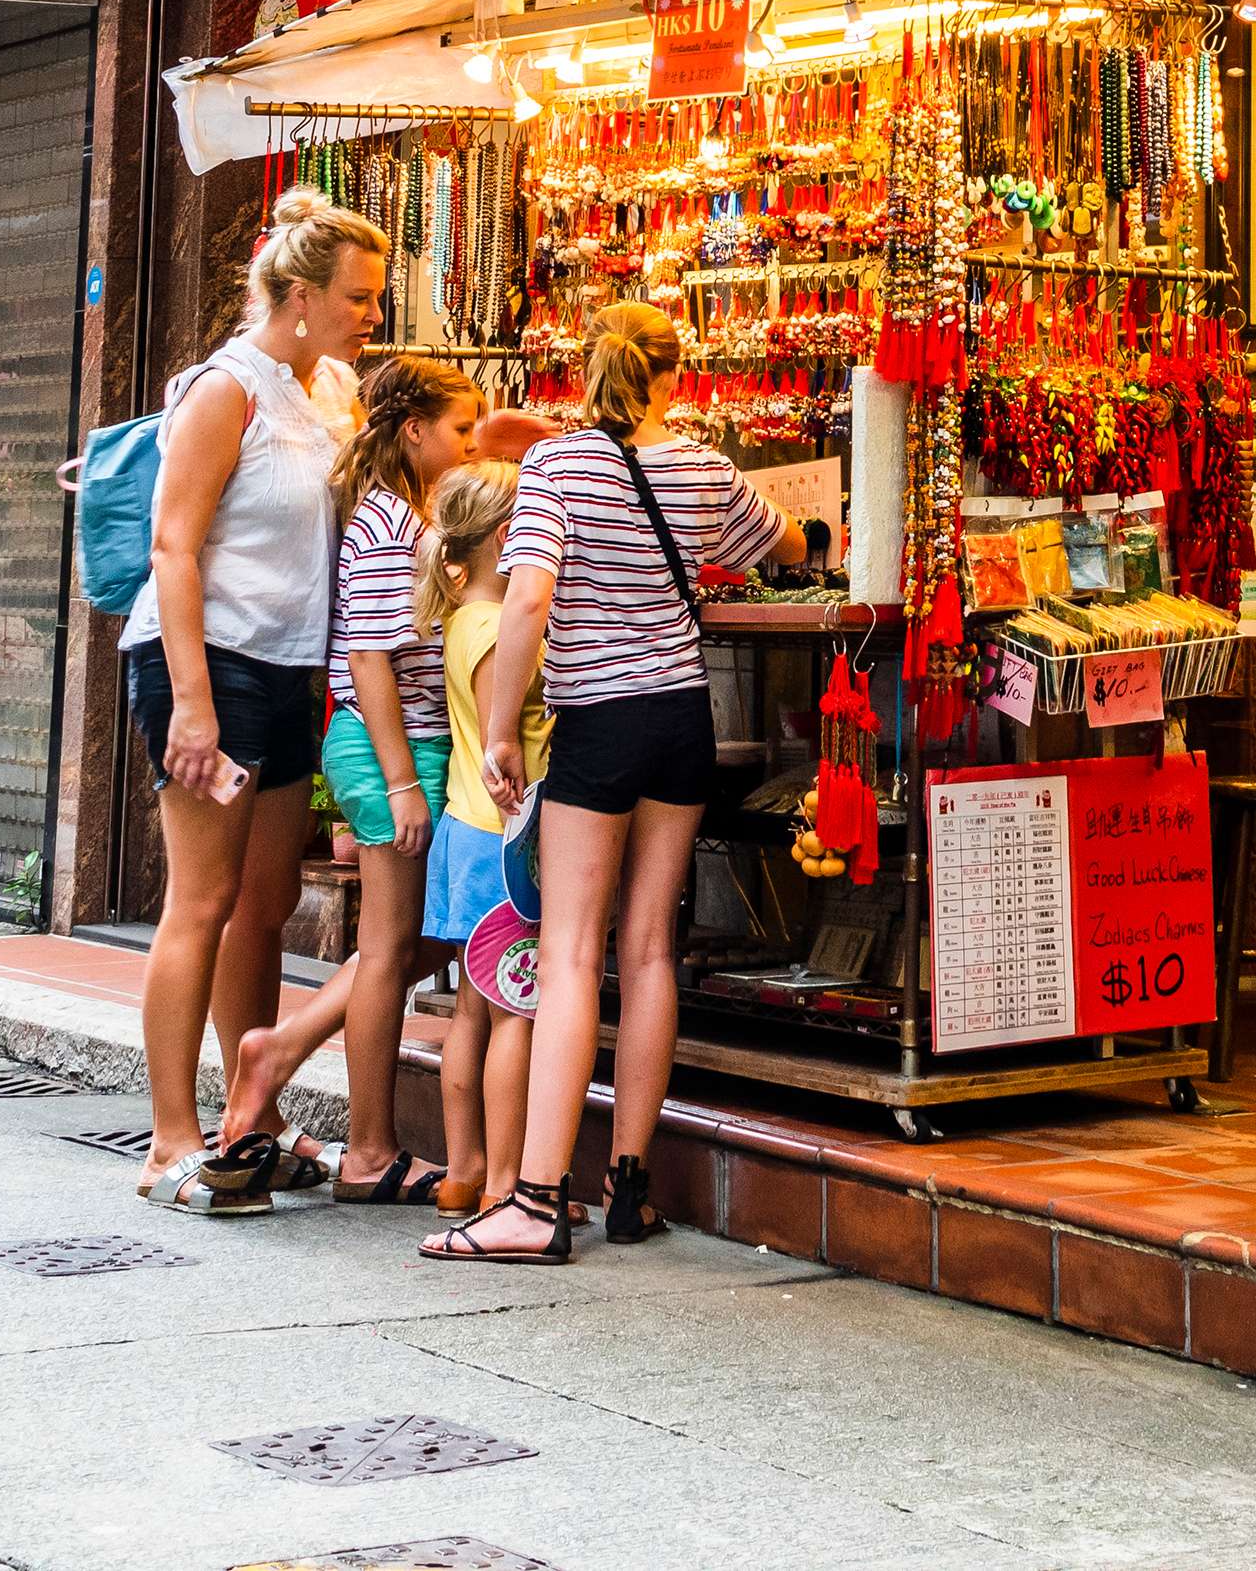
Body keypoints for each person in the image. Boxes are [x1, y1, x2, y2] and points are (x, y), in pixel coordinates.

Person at [435, 301, 815, 1263]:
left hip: (597, 724)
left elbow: (528, 593)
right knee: (648, 949)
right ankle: (630, 1188)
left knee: (568, 952)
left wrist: (498, 729)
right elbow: (783, 549)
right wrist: (808, 528)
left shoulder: (558, 466)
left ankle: (532, 1199)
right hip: (683, 718)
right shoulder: (700, 464)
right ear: (673, 376)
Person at [127, 186, 377, 1215]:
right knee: (203, 900)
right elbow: (172, 545)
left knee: (265, 907)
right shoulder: (223, 389)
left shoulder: (335, 392)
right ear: (300, 295)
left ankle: (252, 1120)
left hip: (287, 668)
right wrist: (191, 703)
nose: (372, 313)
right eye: (357, 297)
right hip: (207, 661)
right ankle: (167, 1138)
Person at [217, 349, 480, 1202]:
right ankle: (367, 1148)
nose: (472, 444)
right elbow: (367, 657)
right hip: (387, 748)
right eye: (461, 429)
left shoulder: (409, 514)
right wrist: (403, 782)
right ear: (414, 431)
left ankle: (280, 1048)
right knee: (396, 944)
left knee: (425, 936)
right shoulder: (386, 526)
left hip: (410, 746)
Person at [409, 461, 539, 1238]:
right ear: (504, 537)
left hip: (465, 832)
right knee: (514, 1013)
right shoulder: (497, 629)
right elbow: (506, 744)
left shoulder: (461, 617)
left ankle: (462, 1171)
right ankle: (501, 1181)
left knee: (470, 1009)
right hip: (501, 836)